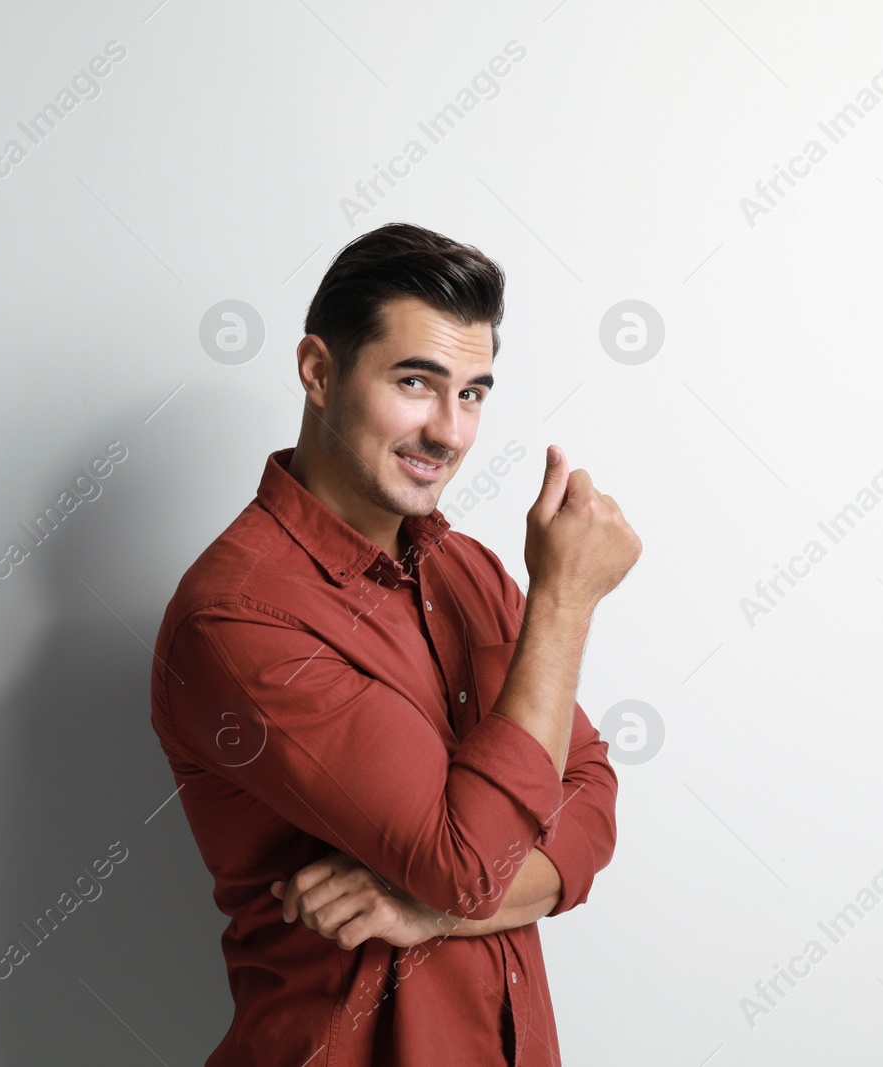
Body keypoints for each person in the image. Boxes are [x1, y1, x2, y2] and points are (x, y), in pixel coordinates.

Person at [149, 222, 641, 1065]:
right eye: (417, 381)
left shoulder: (470, 570)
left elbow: (591, 798)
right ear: (318, 371)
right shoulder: (238, 618)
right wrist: (562, 602)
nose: (449, 431)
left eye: (474, 393)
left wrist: (432, 908)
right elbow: (469, 863)